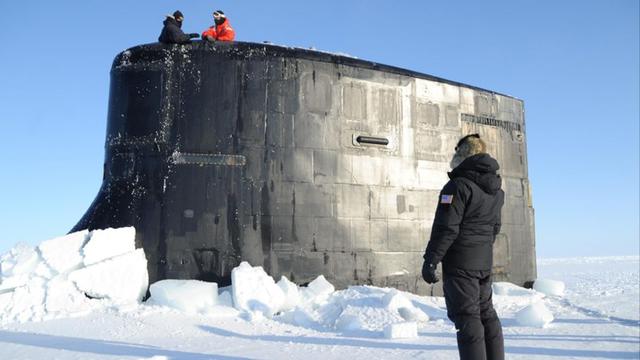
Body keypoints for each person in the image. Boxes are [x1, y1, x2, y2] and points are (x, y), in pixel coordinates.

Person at [422, 134, 505, 360]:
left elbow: (446, 228)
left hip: (460, 264)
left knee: (468, 320)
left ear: (462, 155)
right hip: (483, 263)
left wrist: (431, 260)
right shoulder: (496, 190)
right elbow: (494, 228)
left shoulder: (456, 186)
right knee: (487, 316)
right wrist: (480, 251)